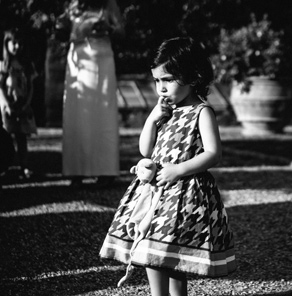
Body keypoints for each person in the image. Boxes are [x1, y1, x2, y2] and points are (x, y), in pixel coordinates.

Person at [98, 37, 236, 296]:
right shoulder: (165, 111)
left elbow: (214, 153)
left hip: (184, 194)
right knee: (149, 247)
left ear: (193, 76)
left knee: (171, 251)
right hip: (155, 193)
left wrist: (178, 169)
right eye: (157, 81)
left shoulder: (201, 112)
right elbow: (145, 149)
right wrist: (151, 119)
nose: (161, 88)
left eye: (168, 80)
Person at [61, 0, 124, 187]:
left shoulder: (109, 5)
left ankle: (105, 171)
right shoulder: (73, 5)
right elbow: (62, 32)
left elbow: (122, 31)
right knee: (77, 114)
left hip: (103, 59)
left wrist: (109, 29)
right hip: (79, 62)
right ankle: (76, 172)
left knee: (103, 114)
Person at [0, 30, 38, 181]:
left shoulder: (26, 65)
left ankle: (24, 166)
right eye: (14, 43)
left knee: (22, 136)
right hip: (7, 105)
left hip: (22, 104)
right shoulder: (3, 65)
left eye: (20, 43)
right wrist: (5, 104)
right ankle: (5, 166)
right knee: (5, 136)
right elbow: (0, 86)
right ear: (6, 43)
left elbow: (31, 86)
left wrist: (27, 103)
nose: (17, 46)